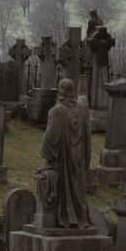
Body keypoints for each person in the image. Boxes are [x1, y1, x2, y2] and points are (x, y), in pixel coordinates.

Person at [37, 78, 91, 228]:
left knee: (63, 184)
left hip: (63, 159)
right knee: (78, 187)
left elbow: (50, 139)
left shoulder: (56, 111)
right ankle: (80, 217)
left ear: (60, 91)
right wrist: (86, 159)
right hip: (78, 157)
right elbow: (87, 136)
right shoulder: (82, 110)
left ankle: (67, 217)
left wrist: (47, 159)